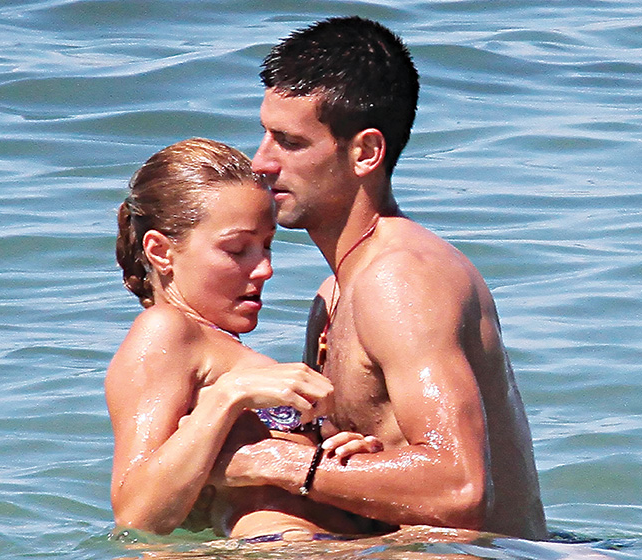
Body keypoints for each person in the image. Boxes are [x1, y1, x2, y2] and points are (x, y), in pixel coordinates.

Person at [213, 16, 549, 540]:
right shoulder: (334, 293)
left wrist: (272, 463)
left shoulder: (400, 280)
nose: (261, 163)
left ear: (365, 153)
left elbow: (460, 488)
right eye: (264, 135)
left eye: (290, 142)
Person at [105, 137, 386, 541]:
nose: (265, 268)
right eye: (237, 250)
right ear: (161, 251)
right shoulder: (165, 331)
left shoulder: (217, 347)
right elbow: (137, 513)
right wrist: (229, 395)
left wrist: (343, 456)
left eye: (267, 245)